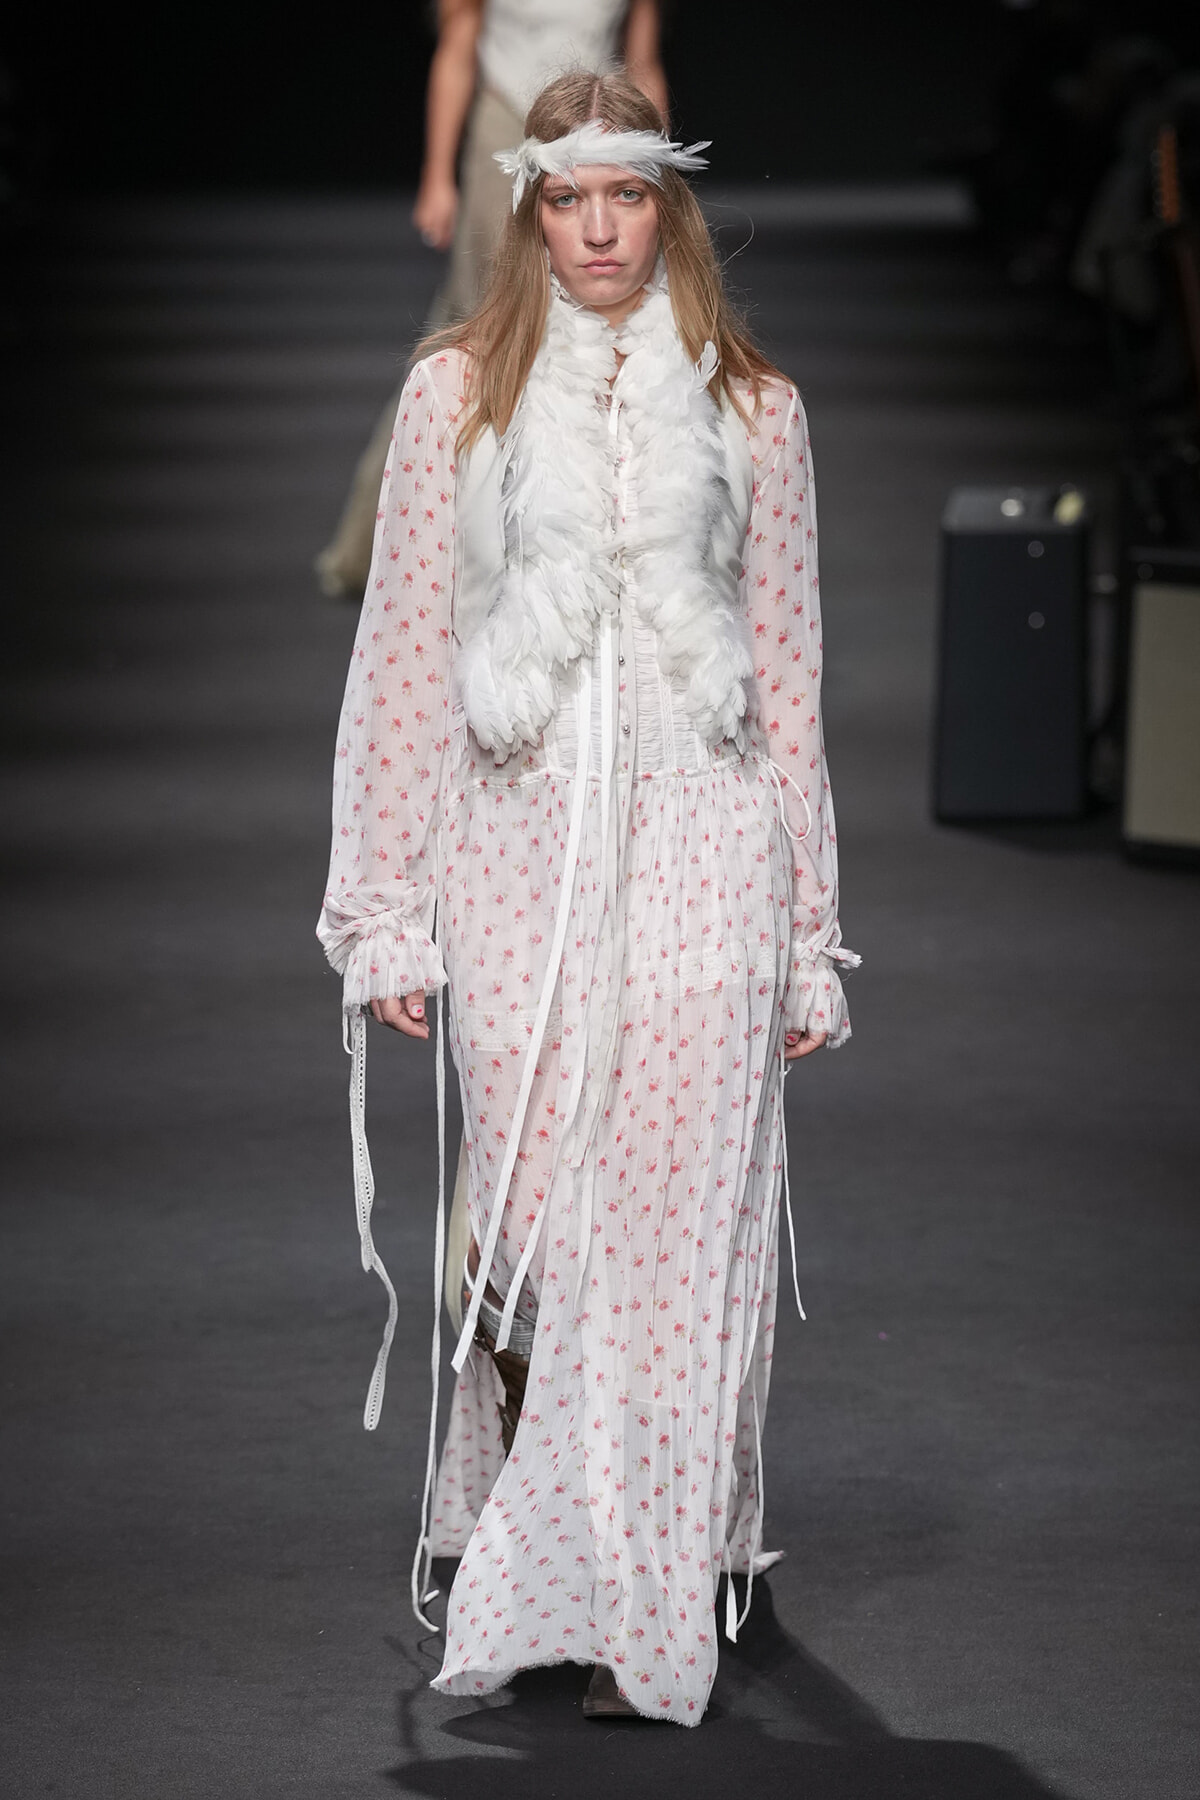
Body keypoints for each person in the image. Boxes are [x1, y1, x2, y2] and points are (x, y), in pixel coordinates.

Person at [317, 69, 859, 1726]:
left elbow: (790, 678)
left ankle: (643, 1606)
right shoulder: (452, 402)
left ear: (667, 208)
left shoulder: (755, 410)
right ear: (531, 210)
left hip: (711, 847)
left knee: (680, 1245)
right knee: (544, 1233)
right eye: (573, 199)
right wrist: (382, 905)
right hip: (515, 852)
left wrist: (809, 939)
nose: (604, 227)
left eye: (631, 196)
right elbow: (402, 658)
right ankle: (583, 1550)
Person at [314, 0, 667, 600]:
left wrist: (655, 163)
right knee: (482, 335)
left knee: (590, 325)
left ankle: (580, 536)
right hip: (506, 130)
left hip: (597, 133)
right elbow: (457, 51)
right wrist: (436, 177)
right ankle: (401, 545)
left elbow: (643, 61)